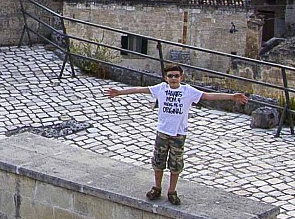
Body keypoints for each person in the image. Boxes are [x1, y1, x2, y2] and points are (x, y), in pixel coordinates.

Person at [106, 63, 247, 203]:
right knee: (158, 162)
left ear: (181, 77)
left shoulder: (188, 91)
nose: (173, 78)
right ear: (165, 77)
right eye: (170, 76)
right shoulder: (161, 88)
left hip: (179, 134)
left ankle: (172, 191)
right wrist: (119, 92)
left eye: (176, 76)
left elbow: (208, 96)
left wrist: (232, 96)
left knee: (176, 164)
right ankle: (157, 187)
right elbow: (139, 89)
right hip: (162, 132)